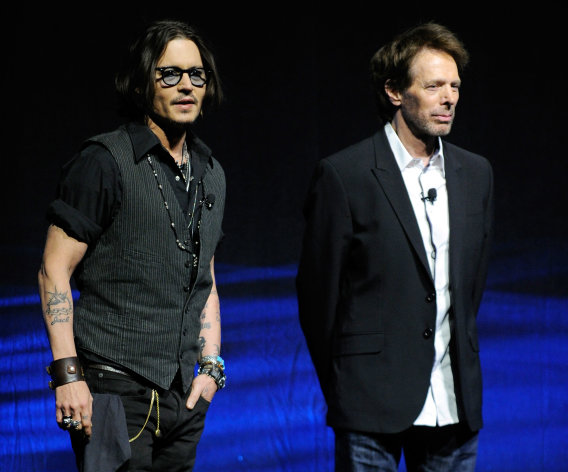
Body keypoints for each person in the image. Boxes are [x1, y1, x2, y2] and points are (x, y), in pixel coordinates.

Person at [296, 22, 494, 471]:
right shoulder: (345, 175)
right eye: (434, 86)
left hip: (454, 404)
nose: (449, 97)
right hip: (370, 405)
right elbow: (317, 298)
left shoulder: (476, 173)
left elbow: (469, 287)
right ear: (394, 92)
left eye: (455, 86)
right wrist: (349, 385)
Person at [38, 19, 226, 471]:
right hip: (113, 388)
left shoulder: (211, 171)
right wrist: (68, 375)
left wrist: (211, 367)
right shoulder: (103, 161)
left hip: (184, 396)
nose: (186, 86)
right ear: (144, 82)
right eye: (170, 74)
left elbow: (206, 278)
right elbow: (53, 270)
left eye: (196, 74)